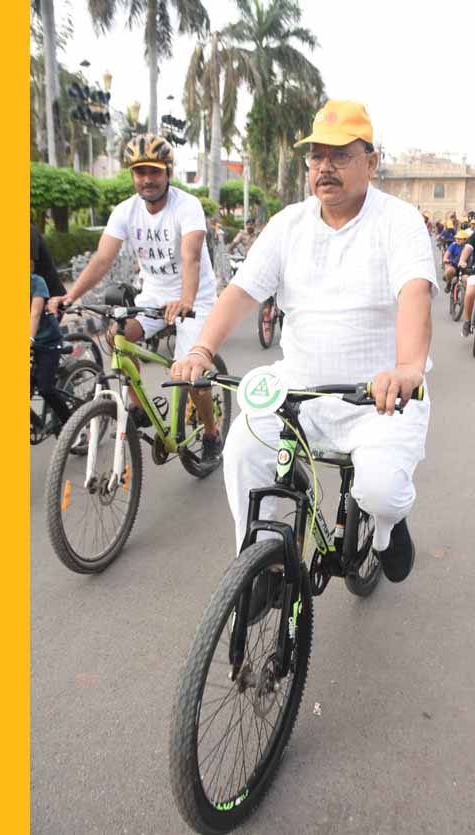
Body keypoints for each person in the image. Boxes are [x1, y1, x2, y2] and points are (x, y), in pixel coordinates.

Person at [171, 100, 436, 583]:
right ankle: (262, 563)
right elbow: (240, 292)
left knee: (380, 493)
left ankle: (386, 529)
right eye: (316, 156)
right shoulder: (288, 224)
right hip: (298, 391)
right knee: (244, 449)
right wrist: (200, 350)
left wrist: (407, 369)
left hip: (377, 400)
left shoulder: (399, 221)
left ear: (371, 162)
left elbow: (415, 294)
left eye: (340, 155)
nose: (324, 167)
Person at [49, 132, 223, 461]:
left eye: (154, 171)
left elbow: (191, 257)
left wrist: (185, 300)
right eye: (140, 172)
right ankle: (138, 406)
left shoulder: (187, 206)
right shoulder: (125, 211)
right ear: (132, 175)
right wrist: (70, 297)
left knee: (193, 375)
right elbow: (102, 259)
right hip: (153, 296)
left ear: (168, 172)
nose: (147, 179)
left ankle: (212, 433)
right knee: (117, 335)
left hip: (194, 300)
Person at [31, 266, 70, 432]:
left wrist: (29, 340)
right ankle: (37, 425)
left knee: (45, 388)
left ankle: (72, 428)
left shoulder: (36, 282)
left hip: (47, 340)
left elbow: (35, 313)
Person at [443, 227, 469, 291]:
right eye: (456, 238)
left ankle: (465, 294)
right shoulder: (453, 245)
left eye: (460, 239)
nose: (457, 240)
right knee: (449, 271)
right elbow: (447, 254)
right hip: (454, 265)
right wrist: (446, 259)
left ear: (465, 239)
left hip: (465, 267)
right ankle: (448, 283)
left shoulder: (469, 247)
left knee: (468, 280)